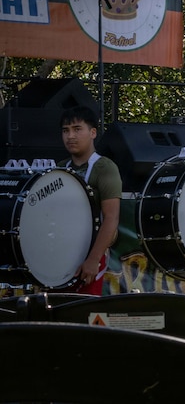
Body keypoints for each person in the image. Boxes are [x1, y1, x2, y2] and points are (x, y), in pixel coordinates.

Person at [59, 105, 122, 295]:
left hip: (91, 256)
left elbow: (111, 218)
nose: (70, 136)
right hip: (61, 256)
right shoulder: (61, 167)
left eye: (77, 129)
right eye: (65, 131)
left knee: (85, 316)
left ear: (93, 132)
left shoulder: (105, 168)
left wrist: (94, 259)